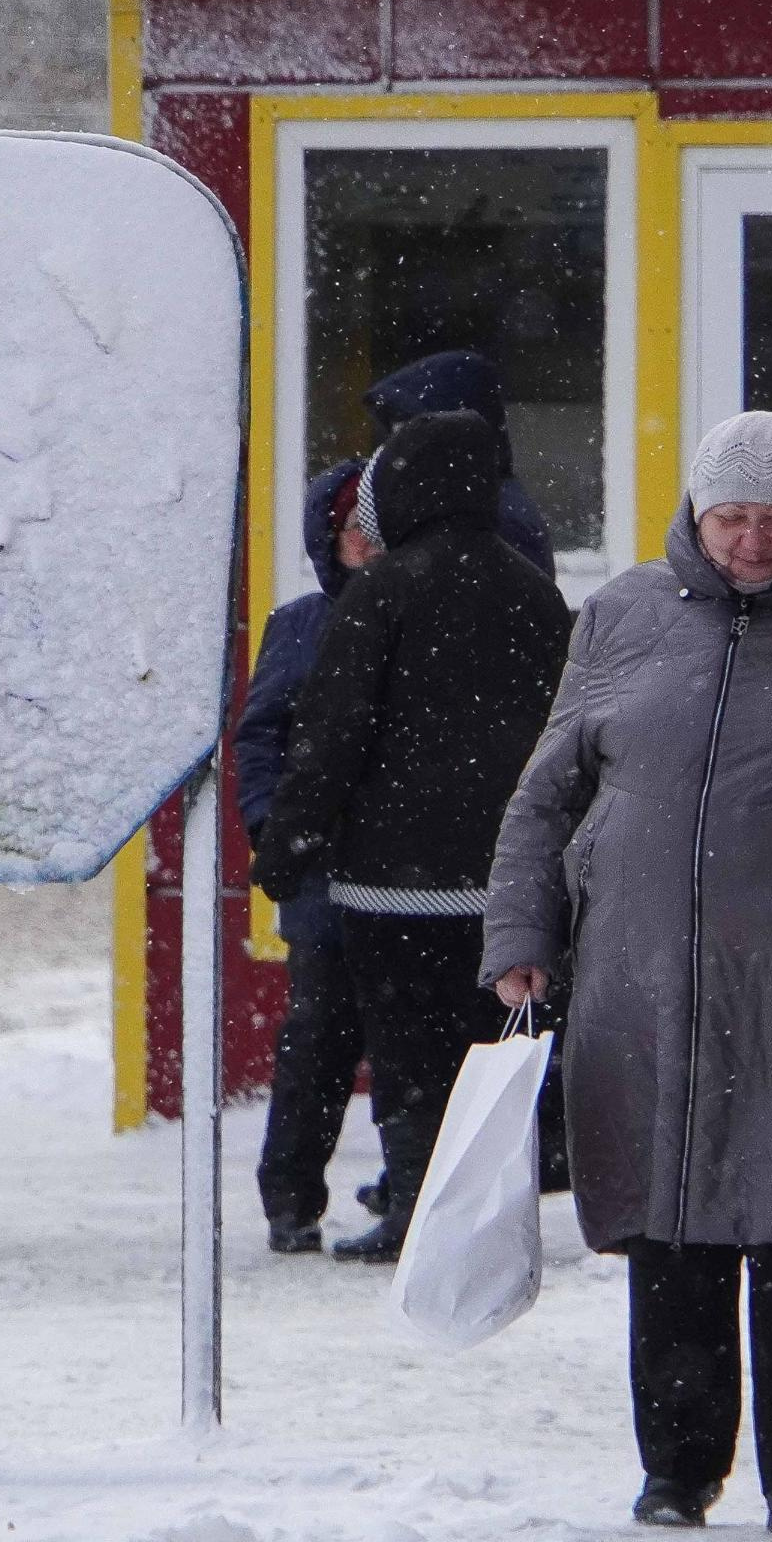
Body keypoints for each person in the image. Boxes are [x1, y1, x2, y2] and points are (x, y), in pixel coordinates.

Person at [485, 412, 772, 1540]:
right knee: (671, 1229)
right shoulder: (625, 615)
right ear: (695, 512)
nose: (749, 539)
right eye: (729, 515)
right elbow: (546, 794)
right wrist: (519, 934)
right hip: (644, 979)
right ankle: (676, 1475)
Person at [251, 408, 570, 1263]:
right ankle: (489, 1218)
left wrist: (287, 846)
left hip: (387, 885)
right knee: (491, 1058)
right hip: (499, 881)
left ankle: (418, 1217)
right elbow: (566, 736)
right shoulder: (535, 592)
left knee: (408, 1061)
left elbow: (331, 733)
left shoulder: (380, 594)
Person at [237, 458, 390, 1253]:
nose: (366, 546)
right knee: (316, 1043)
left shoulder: (423, 619)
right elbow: (259, 736)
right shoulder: (298, 626)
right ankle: (290, 1197)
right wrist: (271, 827)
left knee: (411, 1042)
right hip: (325, 876)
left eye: (378, 531)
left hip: (409, 870)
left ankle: (407, 1188)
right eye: (352, 533)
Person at [364, 349, 557, 578]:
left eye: (408, 432)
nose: (399, 451)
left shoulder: (495, 517)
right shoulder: (468, 503)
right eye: (396, 434)